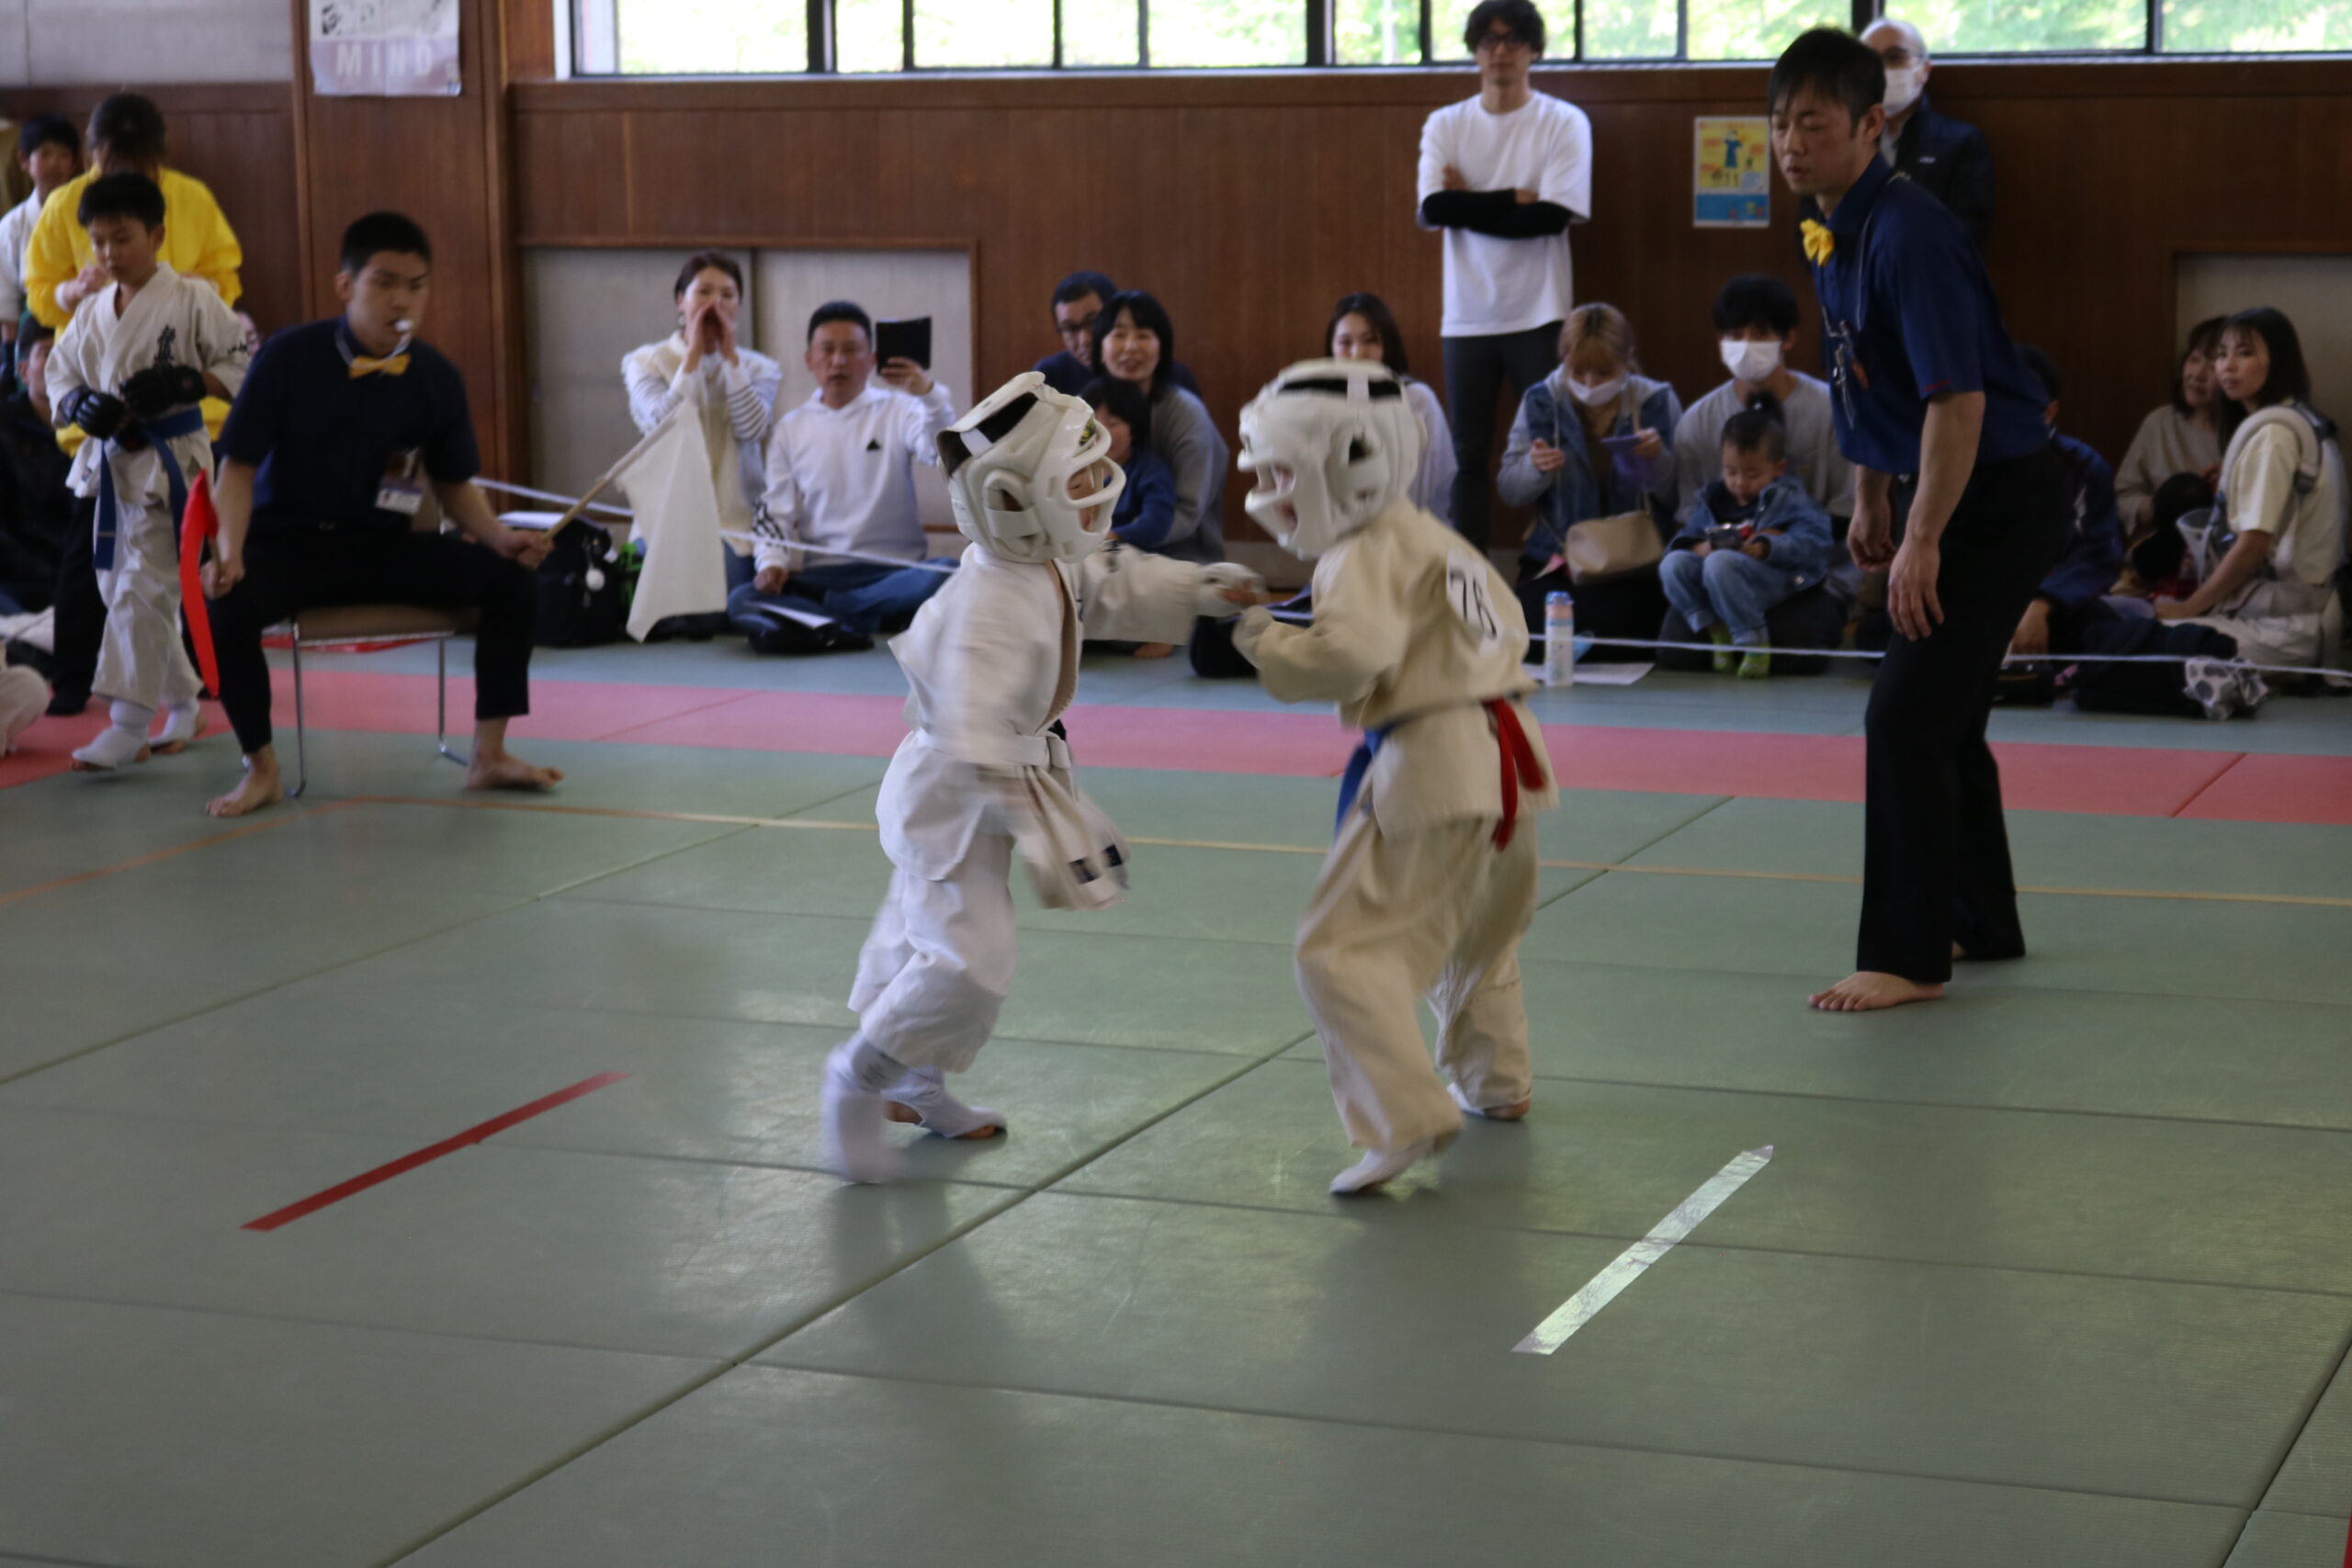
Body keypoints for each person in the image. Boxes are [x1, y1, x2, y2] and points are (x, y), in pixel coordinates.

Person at [819, 373, 1261, 1182]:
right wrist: (1017, 800)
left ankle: (914, 1081)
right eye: (1079, 479)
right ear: (1019, 500)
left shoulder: (1046, 559)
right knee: (968, 961)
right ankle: (858, 1077)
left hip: (978, 787)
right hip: (957, 794)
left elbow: (1112, 581)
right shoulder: (990, 600)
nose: (1096, 492)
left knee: (917, 934)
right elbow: (971, 716)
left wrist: (1199, 588)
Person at [1773, 28, 2069, 1014]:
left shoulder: (1911, 232)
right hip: (1948, 484)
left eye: (1813, 123)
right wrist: (1870, 492)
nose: (1790, 143)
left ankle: (1908, 955)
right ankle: (1979, 918)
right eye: (1780, 123)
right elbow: (1867, 375)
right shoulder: (1831, 228)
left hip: (1997, 493)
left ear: (1871, 124)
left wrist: (1923, 536)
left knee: (1903, 715)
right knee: (1946, 715)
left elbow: (1958, 399)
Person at [1228, 359, 1555, 1194]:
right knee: (1476, 932)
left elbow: (1350, 656)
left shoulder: (1359, 549)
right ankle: (1497, 1081)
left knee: (1338, 952)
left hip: (1435, 765)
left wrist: (1262, 638)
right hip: (1507, 754)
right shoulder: (1434, 536)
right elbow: (1507, 628)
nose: (1271, 493)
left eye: (1280, 474)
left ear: (1342, 463)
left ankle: (1402, 1118)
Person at [199, 211, 560, 818]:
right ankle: (261, 769)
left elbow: (453, 485)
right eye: (385, 283)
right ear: (346, 286)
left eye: (416, 286)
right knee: (226, 605)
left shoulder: (436, 377)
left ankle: (489, 754)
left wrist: (501, 538)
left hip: (383, 547)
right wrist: (229, 554)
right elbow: (236, 468)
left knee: (513, 583)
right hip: (290, 546)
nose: (402, 300)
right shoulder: (288, 357)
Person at [28, 94, 242, 717]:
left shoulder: (190, 200)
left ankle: (171, 695)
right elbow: (40, 294)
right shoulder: (69, 207)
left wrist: (189, 374)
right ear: (93, 153)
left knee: (175, 568)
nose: (109, 249)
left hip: (181, 432)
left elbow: (226, 283)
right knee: (96, 569)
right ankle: (80, 678)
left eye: (121, 239)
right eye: (100, 241)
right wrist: (76, 395)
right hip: (104, 435)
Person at [1417, 0, 1591, 548]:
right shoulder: (1445, 124)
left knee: (1552, 444)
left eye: (1514, 39)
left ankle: (1553, 563)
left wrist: (1467, 201)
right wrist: (1511, 198)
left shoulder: (1564, 121)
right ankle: (1469, 575)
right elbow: (1434, 209)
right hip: (1466, 317)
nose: (1500, 51)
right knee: (1467, 455)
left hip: (1541, 312)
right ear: (1474, 51)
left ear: (1534, 50)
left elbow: (1551, 218)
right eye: (1489, 40)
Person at [731, 300, 956, 651]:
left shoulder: (900, 409)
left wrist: (929, 395)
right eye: (828, 350)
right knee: (742, 597)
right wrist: (771, 563)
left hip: (895, 570)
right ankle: (860, 617)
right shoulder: (790, 429)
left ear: (872, 359)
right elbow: (775, 510)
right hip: (823, 576)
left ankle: (831, 620)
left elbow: (938, 451)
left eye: (851, 350)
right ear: (809, 359)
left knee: (949, 574)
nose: (838, 361)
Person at [2158, 308, 2347, 672]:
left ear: (2279, 361)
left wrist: (2188, 609)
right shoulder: (2298, 418)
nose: (2227, 366)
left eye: (2244, 353)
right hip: (2296, 617)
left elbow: (2252, 547)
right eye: (2221, 354)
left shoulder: (2273, 437)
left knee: (2143, 643)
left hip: (2283, 627)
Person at [1496, 301, 1679, 656]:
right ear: (1563, 359)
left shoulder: (1656, 401)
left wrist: (1658, 461)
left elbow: (1679, 495)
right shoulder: (1540, 401)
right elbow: (1510, 490)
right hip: (1559, 559)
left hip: (1633, 561)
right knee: (1530, 633)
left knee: (1631, 632)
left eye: (1603, 373)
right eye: (1578, 372)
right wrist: (1534, 468)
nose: (1590, 383)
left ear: (1627, 360)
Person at [621, 252, 782, 594]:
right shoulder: (645, 362)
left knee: (713, 600)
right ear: (681, 300)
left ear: (738, 305)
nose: (715, 304)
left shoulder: (760, 368)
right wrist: (693, 356)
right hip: (662, 523)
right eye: (704, 292)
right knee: (663, 602)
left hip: (734, 529)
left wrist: (731, 361)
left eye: (727, 295)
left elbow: (751, 429)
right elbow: (663, 428)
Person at [24, 95, 241, 333]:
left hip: (178, 338)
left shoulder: (192, 196)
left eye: (139, 165)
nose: (127, 176)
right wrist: (74, 291)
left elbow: (224, 276)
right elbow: (38, 290)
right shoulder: (64, 203)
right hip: (94, 343)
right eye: (114, 164)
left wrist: (201, 287)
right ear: (92, 148)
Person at [1661, 394, 1836, 678]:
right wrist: (1699, 547)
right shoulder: (1712, 498)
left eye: (1752, 474)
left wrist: (1767, 547)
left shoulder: (1788, 497)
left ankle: (1754, 642)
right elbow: (1683, 539)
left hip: (1771, 577)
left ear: (1778, 468)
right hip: (1716, 580)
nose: (1740, 483)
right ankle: (1716, 631)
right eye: (1731, 472)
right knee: (1673, 564)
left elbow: (1817, 540)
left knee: (1721, 563)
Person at [1671, 274, 1854, 525]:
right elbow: (1689, 511)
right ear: (1720, 342)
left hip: (1819, 543)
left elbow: (1846, 507)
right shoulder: (1696, 421)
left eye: (1761, 333)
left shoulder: (1831, 409)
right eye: (1735, 335)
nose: (1746, 345)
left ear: (1788, 338)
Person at [2001, 347, 2124, 670]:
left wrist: (2042, 603)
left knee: (2107, 634)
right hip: (1982, 605)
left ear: (2049, 412)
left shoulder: (2083, 467)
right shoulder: (1964, 462)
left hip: (2056, 603)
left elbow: (2097, 554)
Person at [1089, 289, 1227, 565]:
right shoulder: (1085, 406)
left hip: (1180, 553)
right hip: (1101, 548)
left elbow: (1187, 513)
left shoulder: (1186, 416)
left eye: (1143, 335)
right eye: (1119, 334)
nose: (1131, 346)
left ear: (1162, 349)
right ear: (1100, 349)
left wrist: (1116, 541)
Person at [1860, 18, 1995, 248]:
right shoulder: (1841, 139)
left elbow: (1968, 233)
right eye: (1870, 61)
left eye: (1895, 57)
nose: (1882, 70)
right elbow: (1813, 229)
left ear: (1924, 69)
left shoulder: (1961, 142)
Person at [1329, 291, 1457, 520]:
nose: (1357, 353)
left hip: (1411, 526)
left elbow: (1421, 495)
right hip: (1343, 525)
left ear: (1387, 345)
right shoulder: (1324, 402)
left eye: (1369, 340)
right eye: (1345, 343)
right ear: (1332, 348)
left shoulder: (1416, 400)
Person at [2114, 316, 2225, 545]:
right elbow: (2120, 497)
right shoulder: (2160, 422)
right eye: (2194, 359)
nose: (2197, 374)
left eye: (2212, 366)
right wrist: (2164, 506)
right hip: (2162, 547)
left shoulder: (2250, 433)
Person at [0, 320, 74, 619]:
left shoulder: (95, 430)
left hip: (80, 580)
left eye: (66, 352)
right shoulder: (5, 428)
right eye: (46, 353)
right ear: (24, 372)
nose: (59, 363)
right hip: (22, 583)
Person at [1033, 270, 1198, 399]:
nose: (1084, 340)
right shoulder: (1047, 376)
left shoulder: (1173, 378)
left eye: (1093, 322)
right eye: (1070, 328)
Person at [0, 116, 82, 357]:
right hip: (31, 333)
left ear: (74, 163)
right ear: (24, 161)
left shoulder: (88, 213)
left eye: (63, 155)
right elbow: (5, 296)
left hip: (80, 320)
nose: (54, 163)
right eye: (45, 154)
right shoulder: (12, 225)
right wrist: (8, 354)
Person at [1080, 377, 1175, 550]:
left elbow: (1157, 522)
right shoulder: (1077, 465)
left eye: (1113, 423)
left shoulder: (1150, 471)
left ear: (1135, 427)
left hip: (1127, 553)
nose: (1103, 434)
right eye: (1094, 425)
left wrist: (1113, 536)